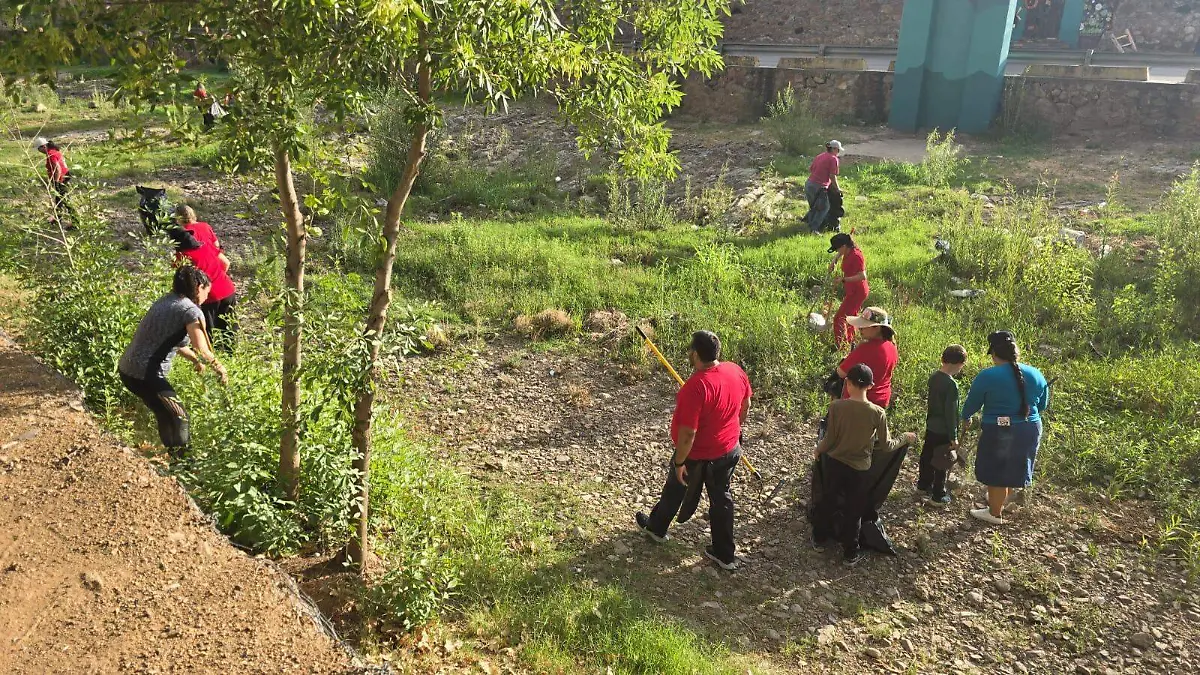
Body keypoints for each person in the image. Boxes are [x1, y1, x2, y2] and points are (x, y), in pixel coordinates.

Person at [636, 330, 753, 571]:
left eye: (691, 349)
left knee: (675, 487)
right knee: (721, 498)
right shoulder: (735, 370)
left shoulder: (695, 387)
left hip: (698, 455)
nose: (689, 352)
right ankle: (725, 555)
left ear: (696, 355)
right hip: (730, 449)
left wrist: (680, 462)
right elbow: (746, 404)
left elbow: (688, 434)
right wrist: (734, 428)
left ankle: (657, 528)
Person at [812, 364, 917, 565]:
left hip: (835, 464)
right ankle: (850, 553)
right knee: (854, 511)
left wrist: (818, 449)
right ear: (870, 386)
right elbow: (886, 446)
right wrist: (905, 437)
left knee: (828, 501)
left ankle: (819, 539)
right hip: (859, 469)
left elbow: (830, 439)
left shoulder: (836, 407)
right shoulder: (877, 413)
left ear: (848, 383)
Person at [119, 266, 227, 459]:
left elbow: (173, 343)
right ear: (199, 287)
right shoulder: (191, 311)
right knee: (179, 416)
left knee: (164, 413)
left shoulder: (167, 301)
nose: (206, 298)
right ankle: (184, 464)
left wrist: (195, 361)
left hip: (128, 369)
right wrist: (220, 368)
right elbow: (202, 349)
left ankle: (175, 459)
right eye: (207, 292)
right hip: (145, 374)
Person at [960, 331, 1049, 525]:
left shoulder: (988, 376)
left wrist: (965, 417)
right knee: (1013, 467)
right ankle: (1001, 500)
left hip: (1000, 429)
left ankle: (994, 513)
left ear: (993, 353)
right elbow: (1042, 405)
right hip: (1030, 428)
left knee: (996, 470)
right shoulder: (1036, 373)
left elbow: (972, 403)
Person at [167, 225, 237, 350]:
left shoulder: (181, 257)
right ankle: (233, 356)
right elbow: (225, 263)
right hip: (227, 290)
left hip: (208, 297)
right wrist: (217, 276)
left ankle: (213, 359)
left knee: (208, 337)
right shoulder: (206, 245)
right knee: (229, 331)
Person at [918, 344, 968, 505]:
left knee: (927, 456)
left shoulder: (934, 377)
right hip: (944, 430)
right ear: (959, 364)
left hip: (931, 425)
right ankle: (938, 495)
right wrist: (953, 436)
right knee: (941, 461)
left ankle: (923, 485)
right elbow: (950, 412)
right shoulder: (951, 385)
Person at [836, 307, 897, 409]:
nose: (860, 328)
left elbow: (841, 372)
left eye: (864, 326)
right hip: (880, 404)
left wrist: (849, 357)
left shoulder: (865, 348)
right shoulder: (892, 347)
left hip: (857, 404)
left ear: (877, 328)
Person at [827, 232, 869, 349]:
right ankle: (851, 342)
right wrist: (834, 260)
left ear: (844, 246)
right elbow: (840, 253)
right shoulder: (847, 250)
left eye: (837, 249)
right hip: (852, 290)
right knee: (851, 317)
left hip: (858, 292)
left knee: (839, 318)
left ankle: (840, 346)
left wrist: (843, 279)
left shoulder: (856, 256)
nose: (837, 251)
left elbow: (862, 276)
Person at [34, 137, 76, 230]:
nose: (39, 151)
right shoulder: (55, 151)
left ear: (43, 147)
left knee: (65, 201)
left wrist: (56, 182)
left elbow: (57, 169)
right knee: (59, 201)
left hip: (61, 179)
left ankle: (76, 222)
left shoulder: (51, 154)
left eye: (39, 149)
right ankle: (57, 219)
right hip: (65, 176)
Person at [805, 140, 842, 233]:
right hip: (819, 187)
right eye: (838, 150)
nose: (838, 152)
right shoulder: (833, 159)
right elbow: (832, 176)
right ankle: (814, 229)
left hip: (809, 184)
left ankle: (809, 223)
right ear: (834, 149)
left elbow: (811, 169)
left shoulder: (820, 156)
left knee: (814, 207)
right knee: (824, 208)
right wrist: (837, 189)